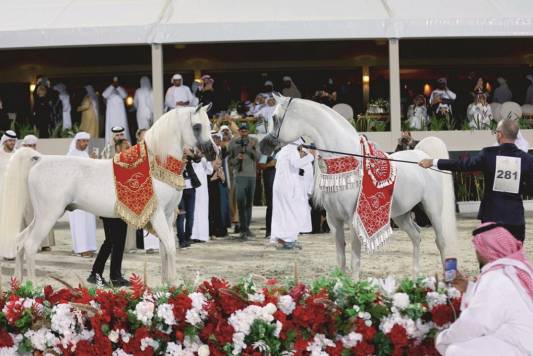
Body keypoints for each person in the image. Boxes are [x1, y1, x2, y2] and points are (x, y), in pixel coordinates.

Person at [419, 119, 533, 242]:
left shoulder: (488, 154)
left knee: (489, 257)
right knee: (513, 258)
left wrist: (433, 162)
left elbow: (462, 165)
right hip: (515, 219)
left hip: (491, 217)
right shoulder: (527, 159)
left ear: (500, 134)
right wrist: (517, 186)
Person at [435, 223, 533, 355]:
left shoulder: (495, 277)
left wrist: (443, 338)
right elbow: (498, 304)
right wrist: (468, 288)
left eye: (477, 248)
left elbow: (474, 323)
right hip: (520, 341)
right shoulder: (516, 269)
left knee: (456, 350)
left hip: (520, 348)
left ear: (485, 251)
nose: (476, 252)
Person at [87, 138, 131, 287]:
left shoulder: (125, 164)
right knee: (112, 241)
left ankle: (112, 275)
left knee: (117, 243)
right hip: (110, 207)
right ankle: (98, 273)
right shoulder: (111, 164)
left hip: (120, 208)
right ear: (118, 149)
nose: (129, 151)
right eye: (126, 148)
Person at [270, 138, 315, 249]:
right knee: (290, 212)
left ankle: (285, 239)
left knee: (283, 213)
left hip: (281, 186)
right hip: (286, 187)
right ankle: (287, 240)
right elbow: (296, 164)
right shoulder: (291, 150)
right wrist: (311, 156)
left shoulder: (283, 151)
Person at [21, 134, 56, 252]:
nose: (31, 147)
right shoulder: (20, 159)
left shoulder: (41, 157)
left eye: (33, 145)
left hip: (41, 192)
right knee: (30, 218)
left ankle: (45, 243)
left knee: (44, 216)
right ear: (24, 146)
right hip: (26, 192)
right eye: (29, 145)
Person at [66, 132, 97, 258]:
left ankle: (90, 246)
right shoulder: (70, 155)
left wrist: (92, 161)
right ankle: (82, 248)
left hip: (87, 194)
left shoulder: (84, 154)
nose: (85, 143)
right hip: (76, 195)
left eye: (87, 141)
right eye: (83, 141)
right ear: (77, 142)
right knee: (79, 221)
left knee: (89, 220)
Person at [228, 123, 259, 239]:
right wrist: (237, 158)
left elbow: (258, 157)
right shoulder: (233, 143)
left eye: (245, 130)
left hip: (251, 176)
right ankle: (242, 228)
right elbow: (230, 161)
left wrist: (250, 148)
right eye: (241, 130)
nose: (243, 132)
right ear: (239, 131)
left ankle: (247, 228)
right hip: (239, 175)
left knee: (249, 203)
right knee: (241, 202)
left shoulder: (254, 141)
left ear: (248, 131)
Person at [176, 148, 201, 248]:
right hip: (179, 189)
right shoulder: (175, 156)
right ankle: (181, 239)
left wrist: (189, 153)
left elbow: (198, 159)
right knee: (181, 215)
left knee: (190, 215)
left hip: (191, 188)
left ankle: (188, 237)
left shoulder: (189, 157)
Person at [191, 152, 213, 242]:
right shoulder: (189, 159)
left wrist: (206, 160)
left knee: (202, 210)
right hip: (191, 186)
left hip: (202, 189)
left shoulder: (204, 159)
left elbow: (210, 171)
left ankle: (202, 235)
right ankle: (192, 235)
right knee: (192, 210)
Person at [102, 77, 130, 143]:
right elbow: (104, 95)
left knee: (122, 129)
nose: (115, 83)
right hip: (111, 116)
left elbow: (125, 95)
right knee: (111, 130)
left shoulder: (121, 90)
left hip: (120, 116)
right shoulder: (108, 90)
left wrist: (117, 87)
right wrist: (112, 86)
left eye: (116, 81)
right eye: (114, 81)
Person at [258, 150, 276, 239]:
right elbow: (260, 165)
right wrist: (271, 164)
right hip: (270, 179)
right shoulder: (266, 152)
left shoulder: (283, 149)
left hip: (283, 180)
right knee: (271, 205)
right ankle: (269, 232)